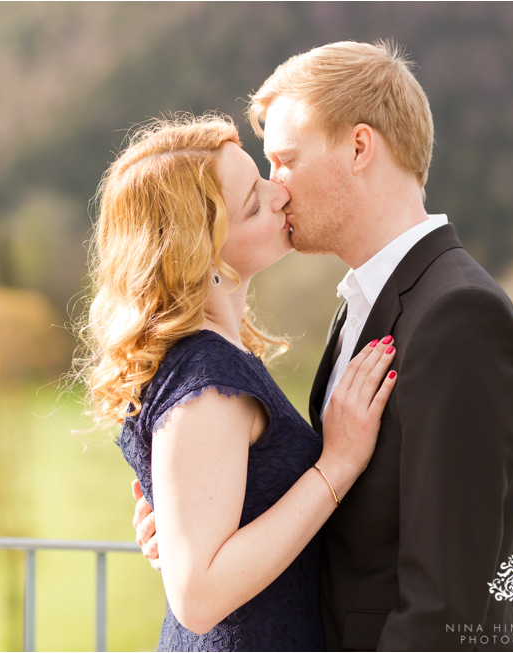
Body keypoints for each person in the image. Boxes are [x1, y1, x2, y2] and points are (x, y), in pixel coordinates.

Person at [132, 41, 513, 651]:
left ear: (358, 147)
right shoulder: (362, 304)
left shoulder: (459, 315)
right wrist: (203, 531)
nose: (277, 189)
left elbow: (449, 607)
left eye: (286, 161)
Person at [80, 112, 399, 651]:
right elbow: (198, 598)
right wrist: (337, 465)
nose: (279, 195)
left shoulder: (209, 361)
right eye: (254, 200)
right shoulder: (207, 380)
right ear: (200, 254)